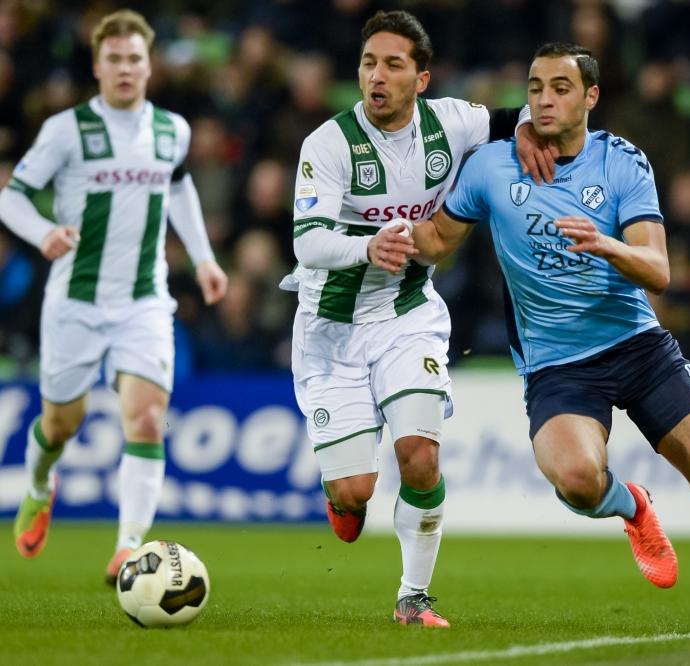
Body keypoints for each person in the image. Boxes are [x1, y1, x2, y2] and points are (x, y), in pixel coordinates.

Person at [410, 42, 690, 639]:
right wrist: (373, 236)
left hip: (638, 349)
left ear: (591, 96)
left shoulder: (621, 163)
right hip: (558, 366)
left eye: (560, 87)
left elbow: (658, 270)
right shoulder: (490, 166)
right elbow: (434, 241)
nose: (544, 99)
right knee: (578, 480)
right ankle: (633, 506)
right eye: (535, 88)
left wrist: (608, 246)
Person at [282, 9, 553, 628]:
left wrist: (537, 132)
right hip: (330, 330)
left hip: (407, 315)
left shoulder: (453, 123)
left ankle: (414, 597)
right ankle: (344, 499)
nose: (376, 76)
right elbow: (307, 241)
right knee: (354, 495)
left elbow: (516, 119)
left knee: (420, 457)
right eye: (368, 63)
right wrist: (368, 245)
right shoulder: (328, 144)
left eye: (392, 65)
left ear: (421, 79)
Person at [0, 9, 227, 584]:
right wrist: (43, 232)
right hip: (75, 300)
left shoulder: (172, 129)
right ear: (97, 68)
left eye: (135, 59)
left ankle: (128, 548)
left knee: (147, 419)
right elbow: (12, 199)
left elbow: (179, 188)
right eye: (114, 60)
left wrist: (202, 259)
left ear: (149, 67)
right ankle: (38, 484)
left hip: (144, 300)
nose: (125, 69)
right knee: (60, 425)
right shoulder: (66, 130)